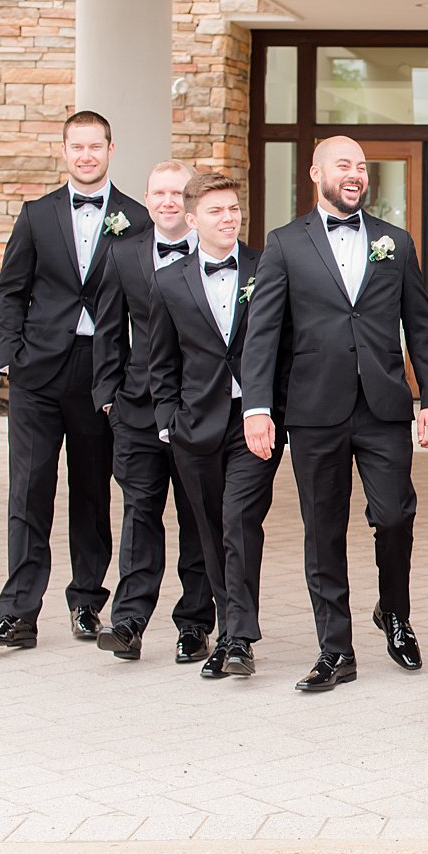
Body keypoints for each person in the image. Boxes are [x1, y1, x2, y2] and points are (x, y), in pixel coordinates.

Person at [240, 135, 428, 692]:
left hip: (382, 406)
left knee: (396, 515)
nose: (355, 174)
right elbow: (262, 333)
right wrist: (257, 408)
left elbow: (420, 325)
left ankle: (395, 613)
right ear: (316, 173)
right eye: (344, 165)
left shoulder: (395, 242)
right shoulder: (284, 244)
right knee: (322, 528)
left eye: (361, 166)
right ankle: (336, 649)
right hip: (313, 409)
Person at [0, 111, 148, 650]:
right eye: (77, 147)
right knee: (28, 490)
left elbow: (147, 301)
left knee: (93, 492)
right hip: (38, 372)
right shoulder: (36, 215)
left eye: (95, 147)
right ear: (65, 151)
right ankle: (19, 614)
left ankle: (86, 604)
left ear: (111, 150)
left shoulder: (135, 218)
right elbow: (10, 289)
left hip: (102, 372)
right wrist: (10, 355)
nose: (86, 156)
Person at [149, 172, 287, 680]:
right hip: (195, 424)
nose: (229, 218)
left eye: (234, 209)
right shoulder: (168, 280)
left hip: (255, 422)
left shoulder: (267, 266)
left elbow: (283, 344)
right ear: (191, 221)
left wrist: (275, 410)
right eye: (216, 211)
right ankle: (231, 631)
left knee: (239, 522)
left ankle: (237, 637)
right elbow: (159, 359)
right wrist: (168, 421)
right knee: (209, 530)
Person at [89, 159, 214, 663]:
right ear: (146, 200)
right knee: (140, 512)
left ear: (191, 203)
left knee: (197, 516)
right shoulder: (123, 254)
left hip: (198, 407)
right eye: (158, 193)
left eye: (177, 193)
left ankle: (193, 624)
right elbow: (108, 329)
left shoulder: (214, 251)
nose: (167, 202)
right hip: (137, 409)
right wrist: (108, 396)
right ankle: (129, 622)